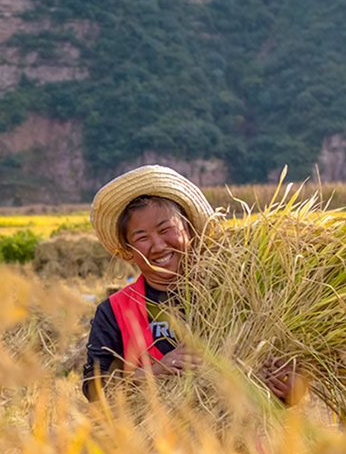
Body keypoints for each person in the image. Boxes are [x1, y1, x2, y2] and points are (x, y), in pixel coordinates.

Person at [81, 165, 300, 405]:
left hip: (238, 438)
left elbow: (276, 379)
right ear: (128, 251)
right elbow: (95, 389)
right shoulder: (115, 311)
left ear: (189, 231)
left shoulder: (234, 295)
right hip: (156, 440)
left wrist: (291, 391)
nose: (158, 245)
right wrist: (159, 369)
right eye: (142, 238)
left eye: (166, 230)